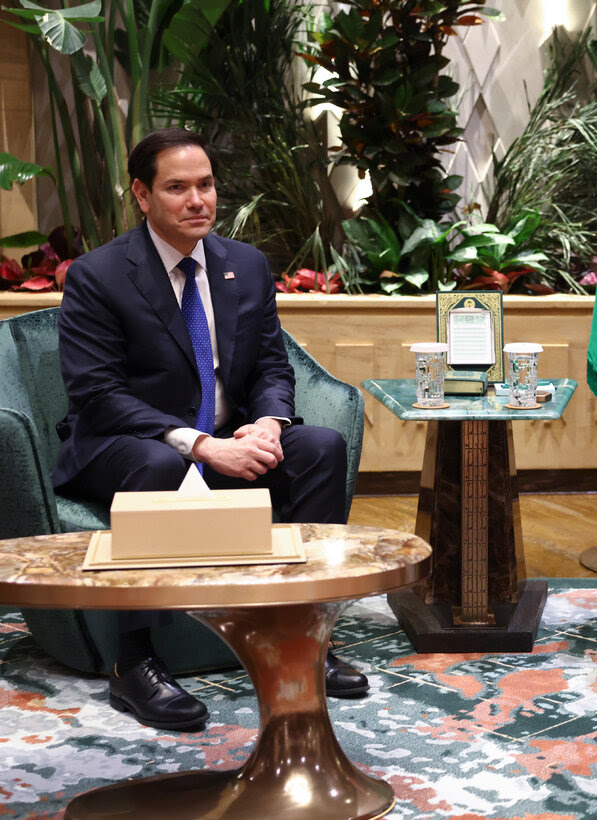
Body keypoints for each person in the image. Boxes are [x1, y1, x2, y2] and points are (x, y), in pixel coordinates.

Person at [54, 128, 368, 731]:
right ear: (143, 196)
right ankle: (135, 660)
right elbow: (98, 395)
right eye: (177, 188)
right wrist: (200, 444)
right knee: (159, 464)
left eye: (206, 185)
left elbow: (273, 365)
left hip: (232, 437)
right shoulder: (98, 276)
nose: (198, 200)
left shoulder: (244, 266)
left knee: (320, 447)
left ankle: (304, 638)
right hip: (129, 445)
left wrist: (270, 425)